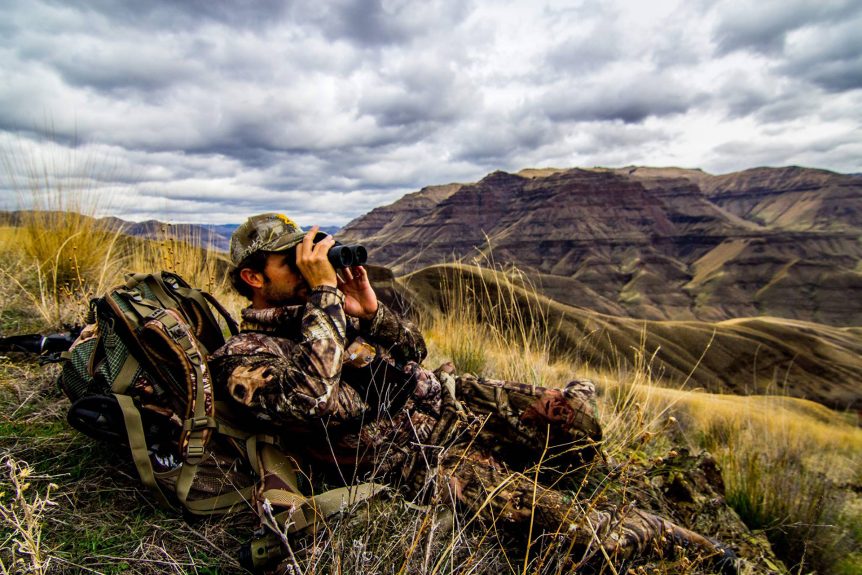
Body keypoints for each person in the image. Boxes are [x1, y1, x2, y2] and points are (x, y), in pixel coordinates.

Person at [209, 213, 738, 573]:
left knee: (578, 422)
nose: (309, 269)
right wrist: (323, 295)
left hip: (451, 397)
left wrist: (369, 312)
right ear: (253, 277)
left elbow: (413, 348)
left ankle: (562, 422)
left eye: (310, 258)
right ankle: (700, 552)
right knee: (591, 537)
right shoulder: (246, 355)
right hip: (425, 458)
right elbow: (313, 399)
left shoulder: (326, 315)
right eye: (292, 262)